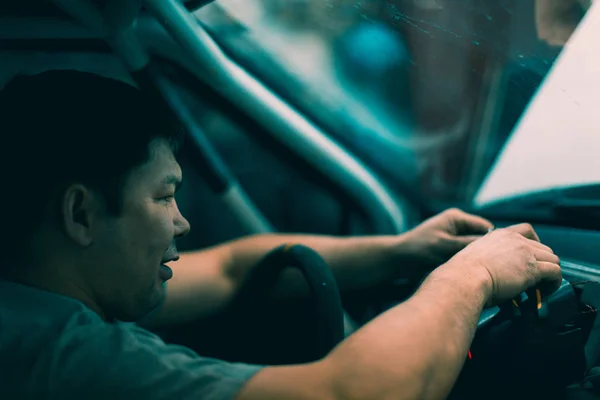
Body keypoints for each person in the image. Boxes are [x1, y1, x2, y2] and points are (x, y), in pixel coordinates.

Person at [0, 70, 562, 400]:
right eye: (165, 196)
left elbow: (229, 269)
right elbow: (355, 394)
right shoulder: (62, 360)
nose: (182, 221)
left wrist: (400, 250)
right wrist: (474, 276)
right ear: (81, 215)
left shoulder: (35, 293)